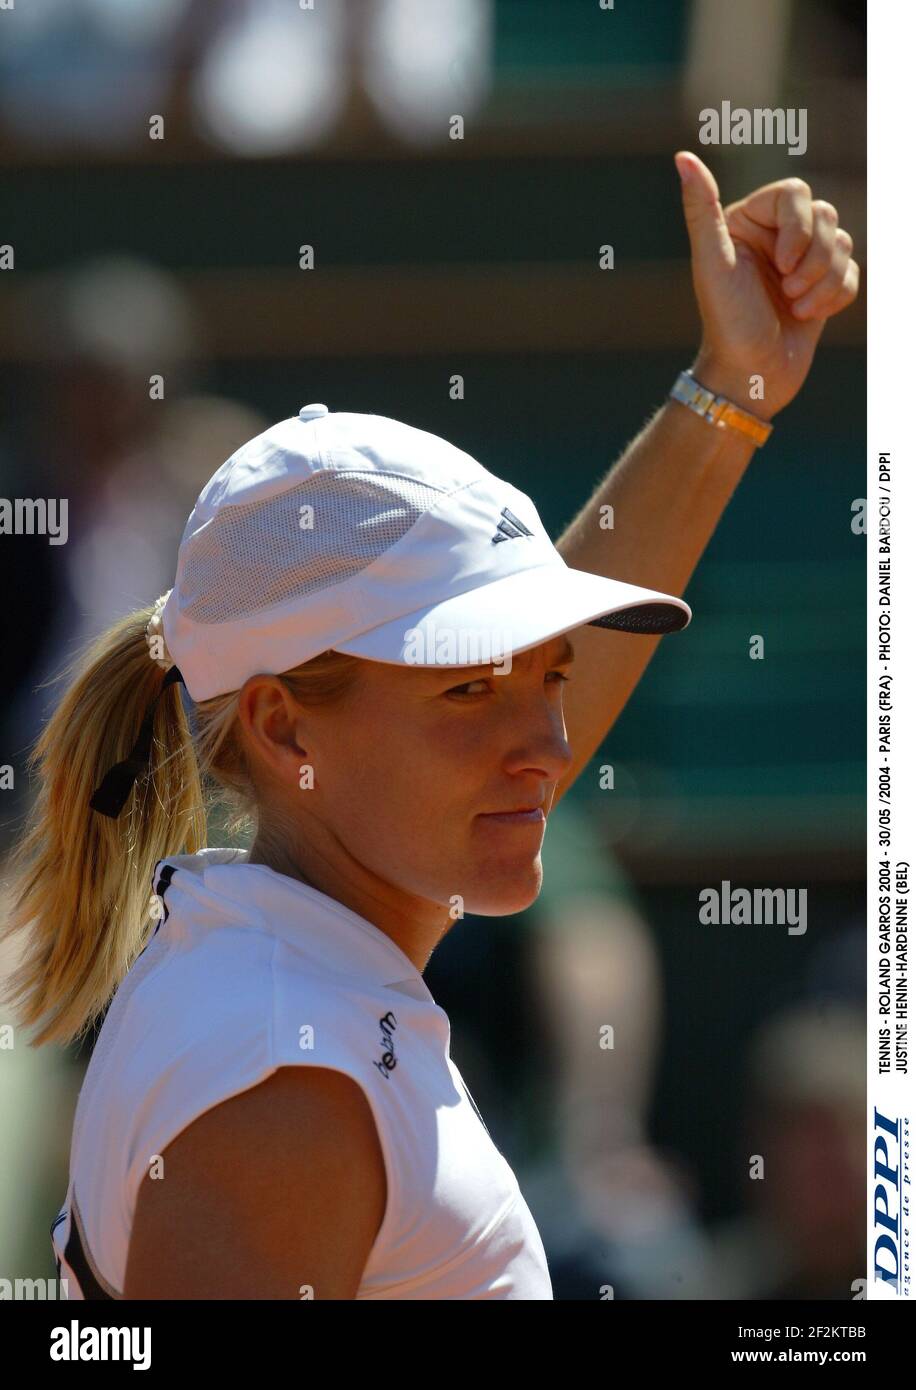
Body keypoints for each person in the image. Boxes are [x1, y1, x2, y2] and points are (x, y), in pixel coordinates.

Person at [2, 154, 859, 1299]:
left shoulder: (280, 959)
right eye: (464, 688)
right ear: (285, 732)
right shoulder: (281, 1081)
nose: (548, 745)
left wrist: (731, 390)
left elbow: (501, 719)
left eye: (548, 678)